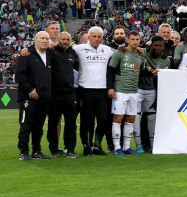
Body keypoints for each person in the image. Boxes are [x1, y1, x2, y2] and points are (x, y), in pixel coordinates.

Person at [107, 31, 152, 155]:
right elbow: (110, 70)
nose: (135, 41)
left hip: (133, 91)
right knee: (118, 117)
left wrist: (152, 72)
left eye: (137, 39)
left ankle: (126, 147)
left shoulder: (140, 55)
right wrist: (110, 88)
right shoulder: (120, 53)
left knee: (131, 118)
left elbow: (141, 72)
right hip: (120, 90)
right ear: (128, 39)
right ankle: (117, 147)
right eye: (133, 39)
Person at [74, 26, 116, 156]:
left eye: (99, 36)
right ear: (89, 36)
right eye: (94, 36)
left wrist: (139, 49)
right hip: (85, 90)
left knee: (103, 120)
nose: (96, 39)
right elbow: (61, 51)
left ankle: (97, 145)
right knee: (87, 121)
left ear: (102, 38)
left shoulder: (108, 50)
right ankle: (87, 146)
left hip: (102, 91)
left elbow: (122, 52)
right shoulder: (78, 49)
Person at [16, 32, 54, 160]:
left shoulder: (49, 54)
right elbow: (19, 75)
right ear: (35, 40)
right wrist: (30, 89)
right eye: (42, 38)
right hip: (28, 97)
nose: (44, 40)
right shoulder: (27, 54)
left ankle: (36, 151)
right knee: (26, 125)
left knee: (39, 126)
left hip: (44, 97)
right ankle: (23, 152)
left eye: (46, 39)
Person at [137, 36, 171, 153]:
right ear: (150, 45)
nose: (158, 48)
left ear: (163, 47)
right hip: (139, 89)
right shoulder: (141, 53)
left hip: (153, 91)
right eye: (155, 45)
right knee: (136, 117)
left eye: (160, 45)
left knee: (150, 118)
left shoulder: (167, 60)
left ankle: (152, 144)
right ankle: (139, 145)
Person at [48, 31, 79, 158]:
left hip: (70, 93)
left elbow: (77, 68)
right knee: (53, 122)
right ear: (58, 39)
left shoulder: (73, 52)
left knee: (71, 123)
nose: (65, 41)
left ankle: (70, 149)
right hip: (55, 93)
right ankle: (54, 149)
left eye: (67, 39)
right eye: (63, 39)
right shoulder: (51, 51)